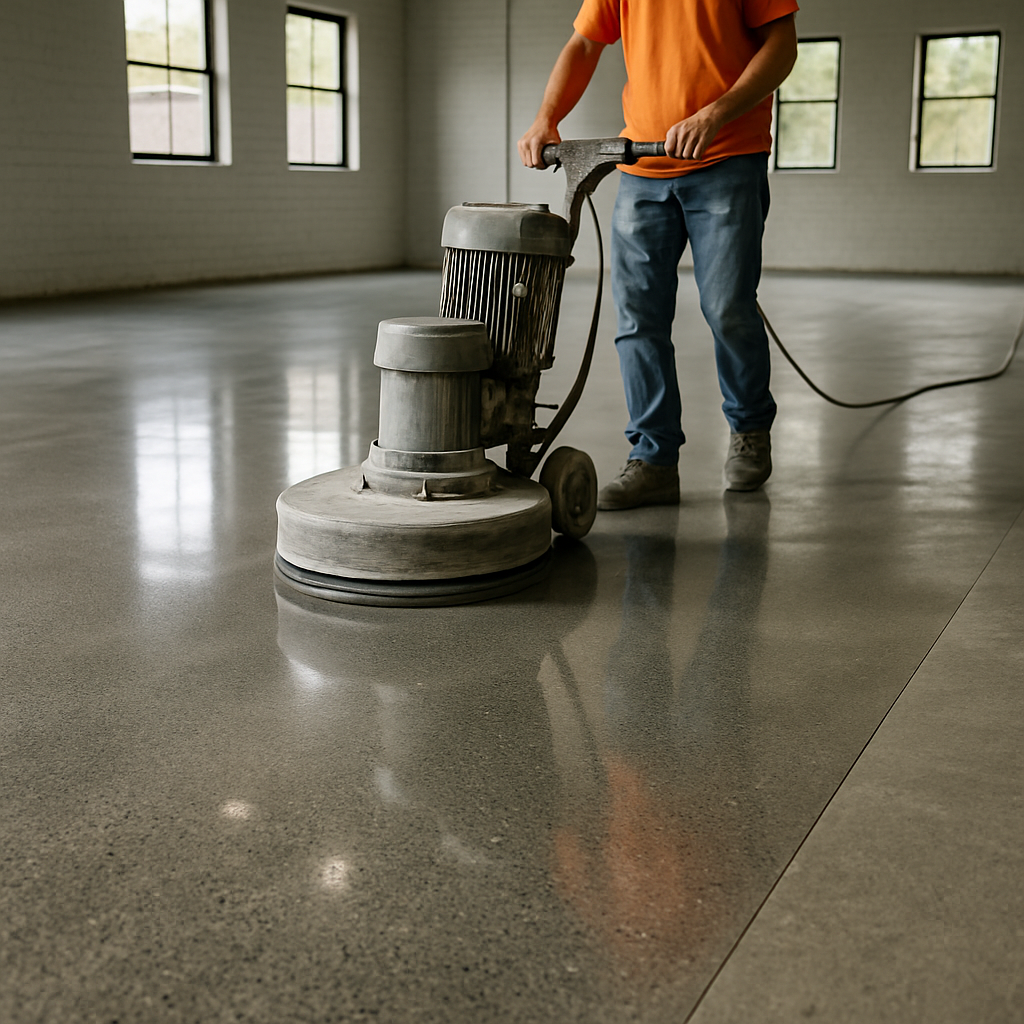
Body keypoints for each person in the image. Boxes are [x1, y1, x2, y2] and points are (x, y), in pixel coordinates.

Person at [519, 0, 799, 508]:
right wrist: (547, 118)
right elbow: (584, 43)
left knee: (727, 307)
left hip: (728, 157)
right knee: (637, 320)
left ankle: (750, 429)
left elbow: (781, 45)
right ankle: (653, 458)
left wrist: (716, 112)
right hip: (642, 166)